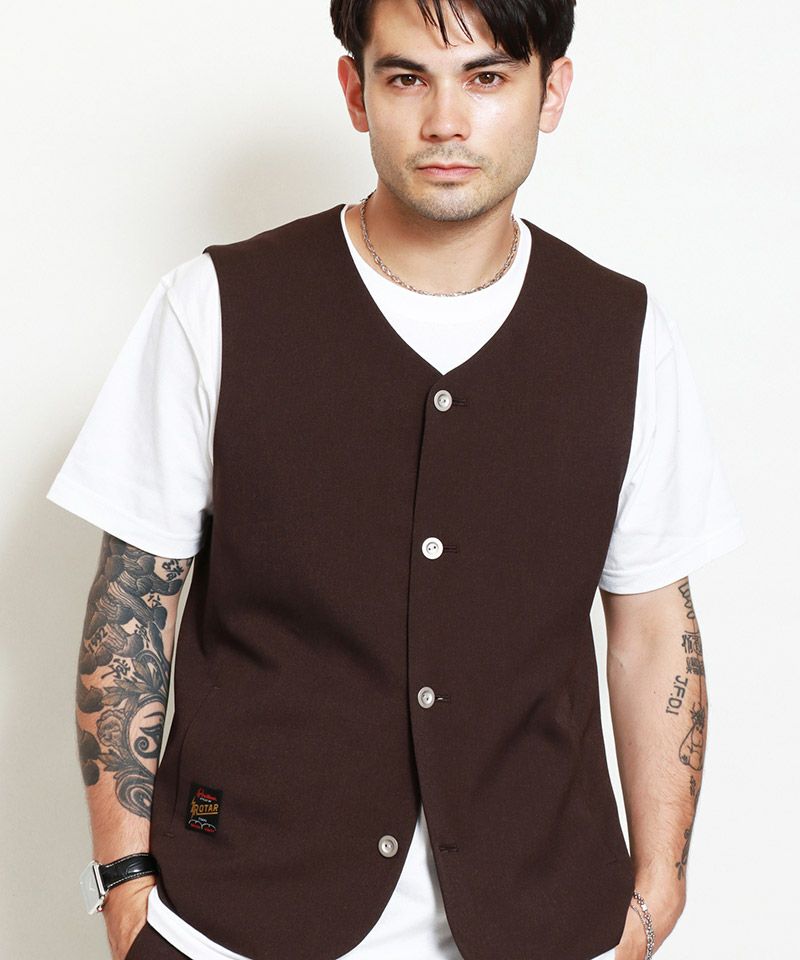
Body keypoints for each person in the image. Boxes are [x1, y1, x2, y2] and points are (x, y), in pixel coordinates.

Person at [46, 1, 747, 958]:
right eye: (408, 77)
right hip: (235, 921)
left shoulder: (622, 335)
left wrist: (657, 892)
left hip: (546, 920)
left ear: (553, 92)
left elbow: (656, 628)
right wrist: (126, 887)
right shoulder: (213, 307)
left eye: (487, 78)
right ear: (356, 92)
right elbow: (133, 605)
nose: (446, 122)